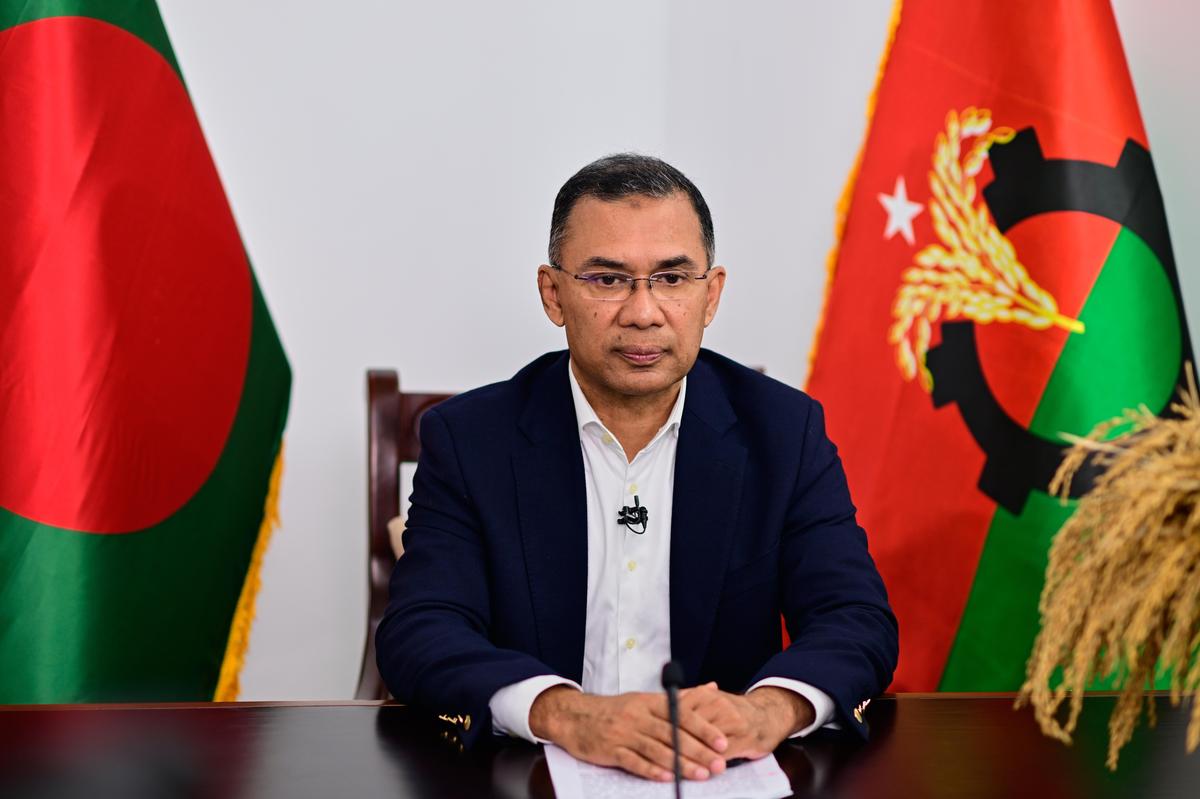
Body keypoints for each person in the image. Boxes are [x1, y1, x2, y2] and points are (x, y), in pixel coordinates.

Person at [375, 153, 898, 782]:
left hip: (718, 772)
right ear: (553, 294)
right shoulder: (470, 440)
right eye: (607, 279)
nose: (643, 312)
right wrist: (566, 714)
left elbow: (855, 619)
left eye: (672, 278)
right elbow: (421, 629)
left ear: (711, 294)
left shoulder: (784, 433)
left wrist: (768, 711)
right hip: (534, 772)